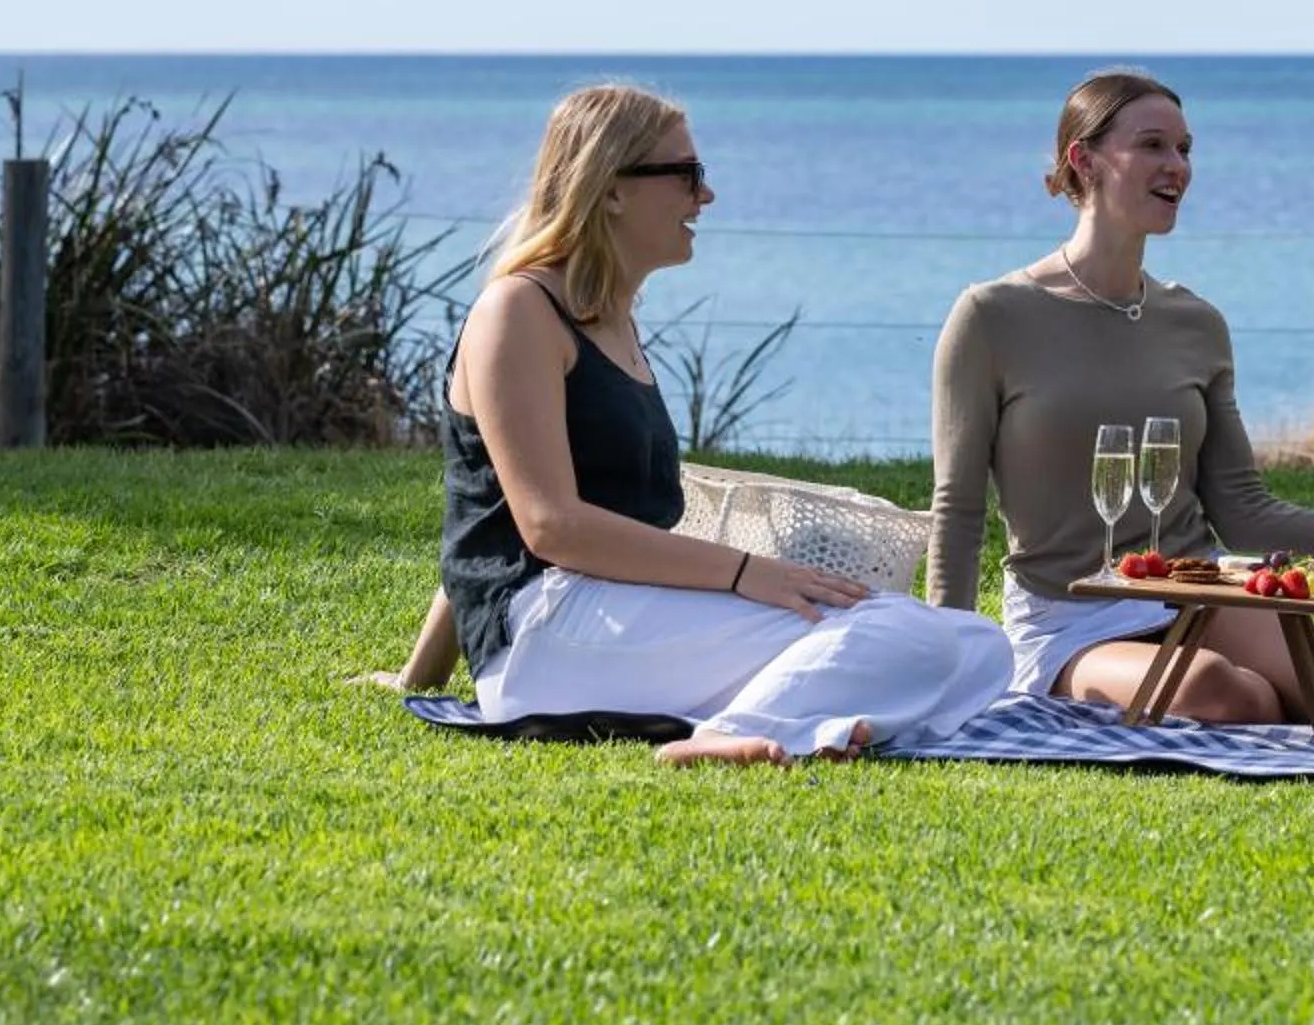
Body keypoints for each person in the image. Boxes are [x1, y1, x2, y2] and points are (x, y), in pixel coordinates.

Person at [428, 82, 1011, 765]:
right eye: (687, 174)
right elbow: (545, 525)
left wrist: (420, 678)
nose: (704, 197)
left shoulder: (612, 321)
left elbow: (476, 505)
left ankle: (763, 722)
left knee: (975, 643)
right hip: (545, 633)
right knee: (903, 635)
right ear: (610, 187)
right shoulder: (519, 312)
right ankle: (732, 733)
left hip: (615, 615)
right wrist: (746, 573)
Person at [928, 69, 1314, 732]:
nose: (1178, 167)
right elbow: (958, 511)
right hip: (1072, 618)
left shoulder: (1194, 322)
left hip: (1201, 590)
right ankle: (1283, 706)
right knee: (1226, 696)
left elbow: (1242, 510)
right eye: (1154, 146)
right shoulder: (992, 315)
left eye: (1186, 149)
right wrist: (942, 668)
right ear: (1085, 159)